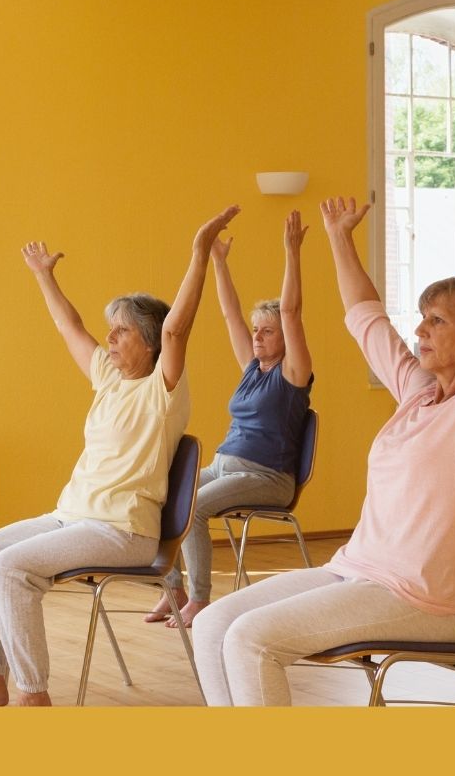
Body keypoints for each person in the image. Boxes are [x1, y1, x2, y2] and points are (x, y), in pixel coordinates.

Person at [192, 153, 455, 706]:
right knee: (214, 626)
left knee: (253, 641)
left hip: (424, 598)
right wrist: (337, 238)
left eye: (437, 320)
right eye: (422, 318)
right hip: (355, 570)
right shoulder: (418, 393)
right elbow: (365, 316)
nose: (420, 329)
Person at [0, 206, 238, 706]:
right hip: (71, 516)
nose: (109, 339)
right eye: (112, 330)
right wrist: (44, 276)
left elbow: (177, 329)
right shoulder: (108, 378)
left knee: (9, 569)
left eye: (122, 331)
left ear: (149, 344)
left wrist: (198, 252)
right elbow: (70, 325)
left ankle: (33, 694)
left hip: (124, 530)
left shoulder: (162, 390)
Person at [145, 210, 314, 629]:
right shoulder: (251, 369)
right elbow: (229, 315)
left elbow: (292, 311)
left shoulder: (293, 375)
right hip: (225, 466)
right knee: (154, 494)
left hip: (268, 477)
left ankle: (200, 600)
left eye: (268, 331)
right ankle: (174, 590)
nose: (257, 336)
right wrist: (218, 260)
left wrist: (291, 251)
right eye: (257, 330)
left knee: (195, 508)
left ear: (284, 338)